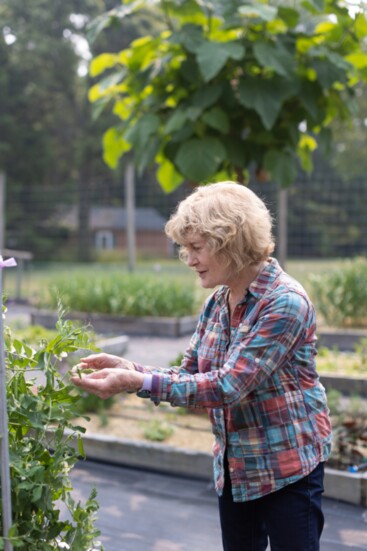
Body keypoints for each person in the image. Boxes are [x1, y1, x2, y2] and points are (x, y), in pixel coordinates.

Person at [71, 181, 332, 551]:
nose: (188, 259)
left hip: (288, 468)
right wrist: (128, 368)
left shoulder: (285, 303)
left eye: (196, 247)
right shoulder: (218, 302)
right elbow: (190, 375)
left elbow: (227, 387)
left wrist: (135, 381)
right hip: (237, 468)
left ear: (232, 241)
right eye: (184, 248)